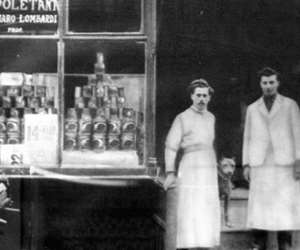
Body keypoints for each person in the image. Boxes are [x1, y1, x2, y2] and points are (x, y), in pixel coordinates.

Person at [243, 67, 300, 250]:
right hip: (260, 165)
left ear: (278, 83)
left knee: (284, 208)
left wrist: (298, 161)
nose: (268, 86)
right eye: (264, 83)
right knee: (260, 209)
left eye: (271, 82)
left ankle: (285, 246)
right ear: (260, 84)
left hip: (284, 165)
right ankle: (259, 245)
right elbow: (248, 137)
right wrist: (246, 164)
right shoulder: (253, 108)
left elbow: (298, 134)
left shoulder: (290, 105)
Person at [164, 79, 220, 250]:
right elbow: (171, 146)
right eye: (198, 95)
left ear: (209, 98)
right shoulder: (182, 117)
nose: (202, 99)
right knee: (191, 205)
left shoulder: (211, 117)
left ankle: (206, 243)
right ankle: (189, 244)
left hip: (208, 166)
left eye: (205, 95)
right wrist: (170, 172)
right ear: (192, 96)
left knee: (207, 203)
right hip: (190, 165)